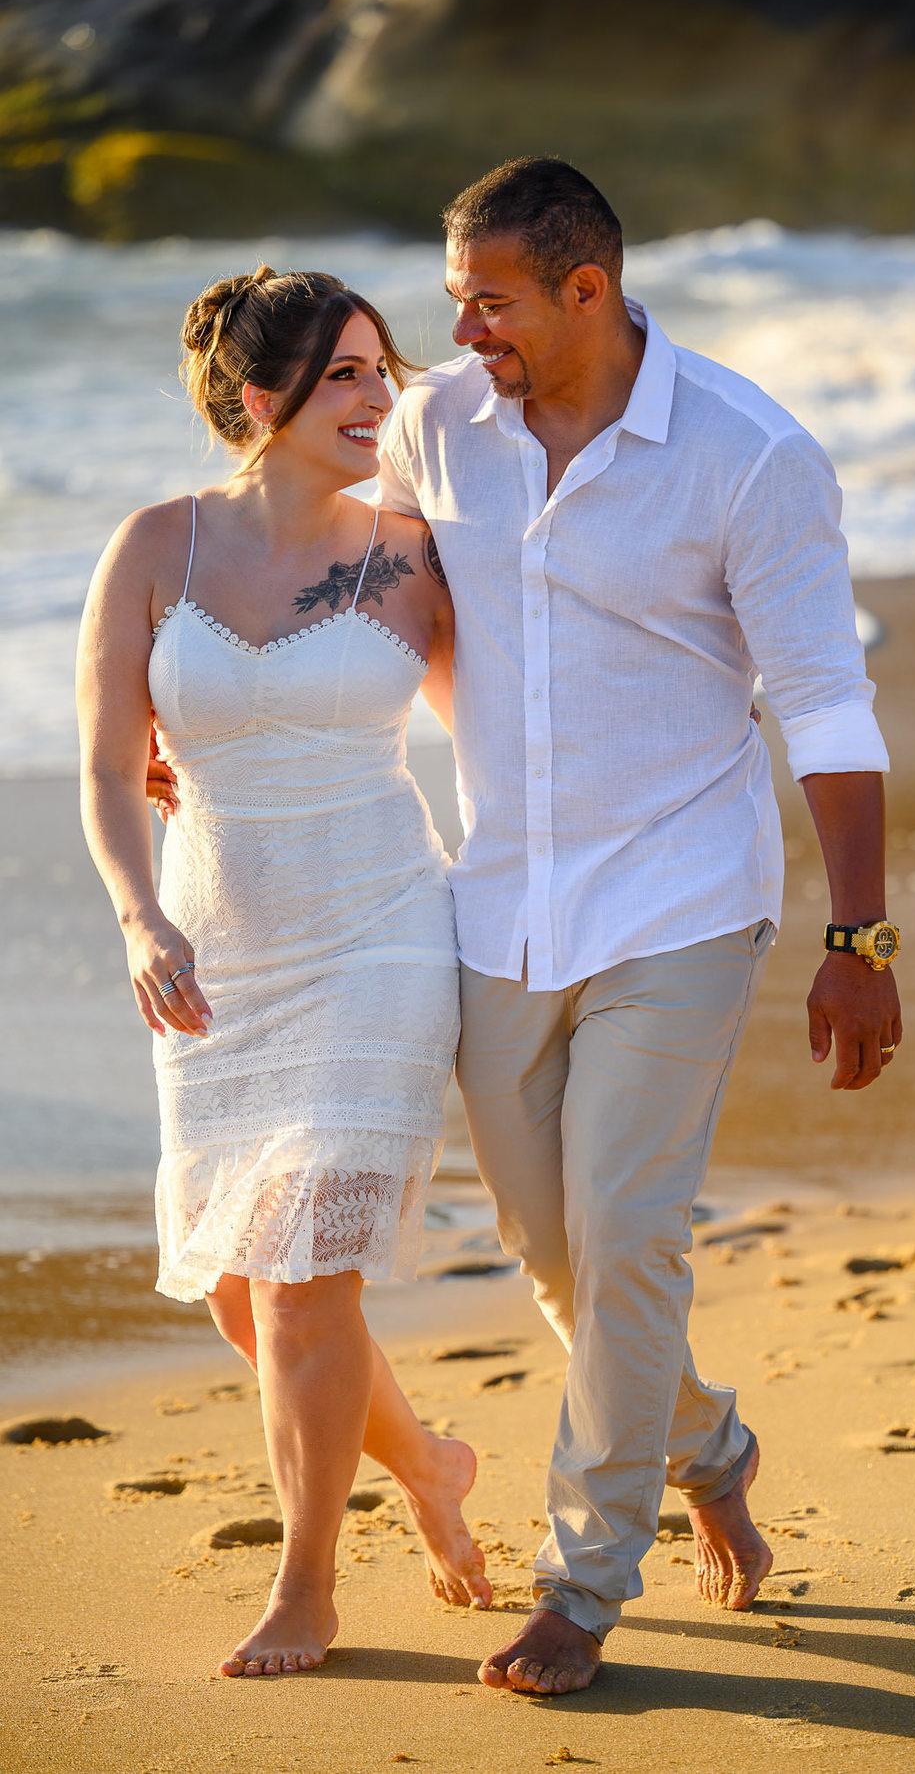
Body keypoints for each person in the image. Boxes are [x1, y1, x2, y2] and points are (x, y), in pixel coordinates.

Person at [372, 157, 903, 1696]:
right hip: (500, 903)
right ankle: (711, 1443)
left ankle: (586, 1581)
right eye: (452, 298)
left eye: (489, 301)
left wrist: (860, 940)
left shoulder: (749, 454)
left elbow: (822, 695)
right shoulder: (435, 428)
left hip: (679, 895)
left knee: (627, 1235)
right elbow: (381, 616)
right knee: (555, 1250)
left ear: (585, 292)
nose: (459, 329)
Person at [79, 264, 491, 1680]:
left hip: (381, 924)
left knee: (309, 1279)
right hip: (215, 952)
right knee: (241, 1294)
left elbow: (508, 728)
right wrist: (141, 917)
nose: (382, 399)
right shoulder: (154, 548)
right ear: (261, 400)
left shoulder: (414, 552)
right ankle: (431, 1466)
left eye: (386, 371)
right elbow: (102, 767)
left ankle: (307, 1585)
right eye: (345, 376)